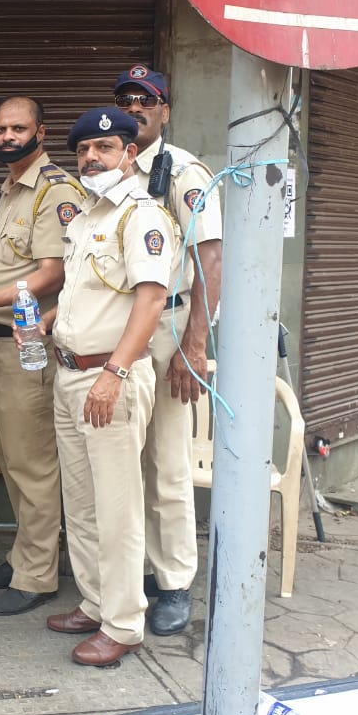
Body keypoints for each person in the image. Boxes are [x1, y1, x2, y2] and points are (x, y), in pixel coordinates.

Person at [39, 105, 178, 668]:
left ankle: (123, 625)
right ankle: (95, 603)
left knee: (118, 508)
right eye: (84, 151)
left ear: (127, 154)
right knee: (83, 503)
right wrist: (47, 321)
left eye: (104, 149)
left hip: (109, 379)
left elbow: (150, 302)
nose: (91, 158)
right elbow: (87, 293)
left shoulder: (141, 216)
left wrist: (115, 374)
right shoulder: (86, 217)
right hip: (72, 375)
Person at [0, 97, 84, 616]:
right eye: (1, 128)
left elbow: (55, 273)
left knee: (33, 464)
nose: (7, 136)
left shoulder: (55, 192)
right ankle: (26, 550)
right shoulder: (12, 190)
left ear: (41, 131)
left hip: (28, 345)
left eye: (18, 128)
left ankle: (36, 575)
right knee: (12, 459)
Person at [113, 65, 223, 637]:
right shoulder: (114, 167)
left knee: (168, 464)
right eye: (126, 99)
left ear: (165, 111)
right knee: (127, 462)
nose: (135, 108)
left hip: (170, 327)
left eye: (145, 101)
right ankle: (138, 573)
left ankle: (175, 581)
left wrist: (193, 344)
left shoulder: (184, 172)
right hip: (122, 330)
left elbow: (211, 260)